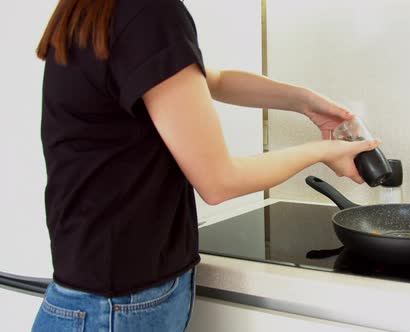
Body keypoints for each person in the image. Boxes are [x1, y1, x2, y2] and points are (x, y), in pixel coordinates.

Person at [31, 0, 380, 331]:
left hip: (102, 300)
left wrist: (304, 102)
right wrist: (321, 152)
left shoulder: (104, 9)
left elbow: (205, 80)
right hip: (117, 308)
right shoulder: (149, 10)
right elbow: (219, 181)